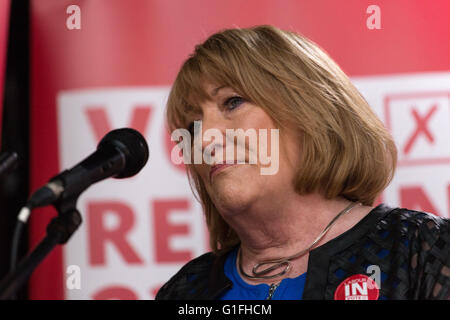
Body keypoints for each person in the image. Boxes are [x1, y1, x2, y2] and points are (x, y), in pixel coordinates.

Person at [155, 25, 450, 300]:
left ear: (309, 110)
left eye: (232, 102)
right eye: (192, 126)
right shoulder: (184, 291)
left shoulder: (424, 250)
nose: (203, 140)